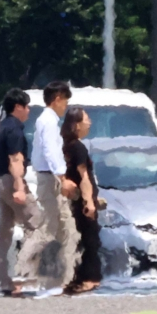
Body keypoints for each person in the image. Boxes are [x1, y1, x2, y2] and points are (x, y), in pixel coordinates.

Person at [0, 89, 44, 294]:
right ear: (18, 107)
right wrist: (20, 187)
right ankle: (30, 271)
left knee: (4, 230)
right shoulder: (15, 130)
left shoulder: (1, 127)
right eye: (26, 107)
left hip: (0, 180)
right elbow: (15, 159)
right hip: (12, 181)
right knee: (37, 225)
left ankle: (0, 277)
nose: (28, 111)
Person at [22, 81, 78, 291]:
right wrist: (62, 177)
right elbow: (51, 151)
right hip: (49, 178)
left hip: (48, 176)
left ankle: (56, 274)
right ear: (57, 100)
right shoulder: (48, 121)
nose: (65, 106)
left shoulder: (46, 120)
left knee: (61, 226)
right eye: (65, 101)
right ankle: (31, 270)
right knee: (50, 227)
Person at [62, 107, 102, 293]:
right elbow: (83, 176)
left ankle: (80, 277)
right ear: (77, 125)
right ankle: (90, 278)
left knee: (81, 238)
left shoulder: (66, 146)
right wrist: (89, 201)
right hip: (82, 201)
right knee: (90, 239)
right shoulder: (78, 147)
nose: (90, 123)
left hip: (73, 199)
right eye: (86, 119)